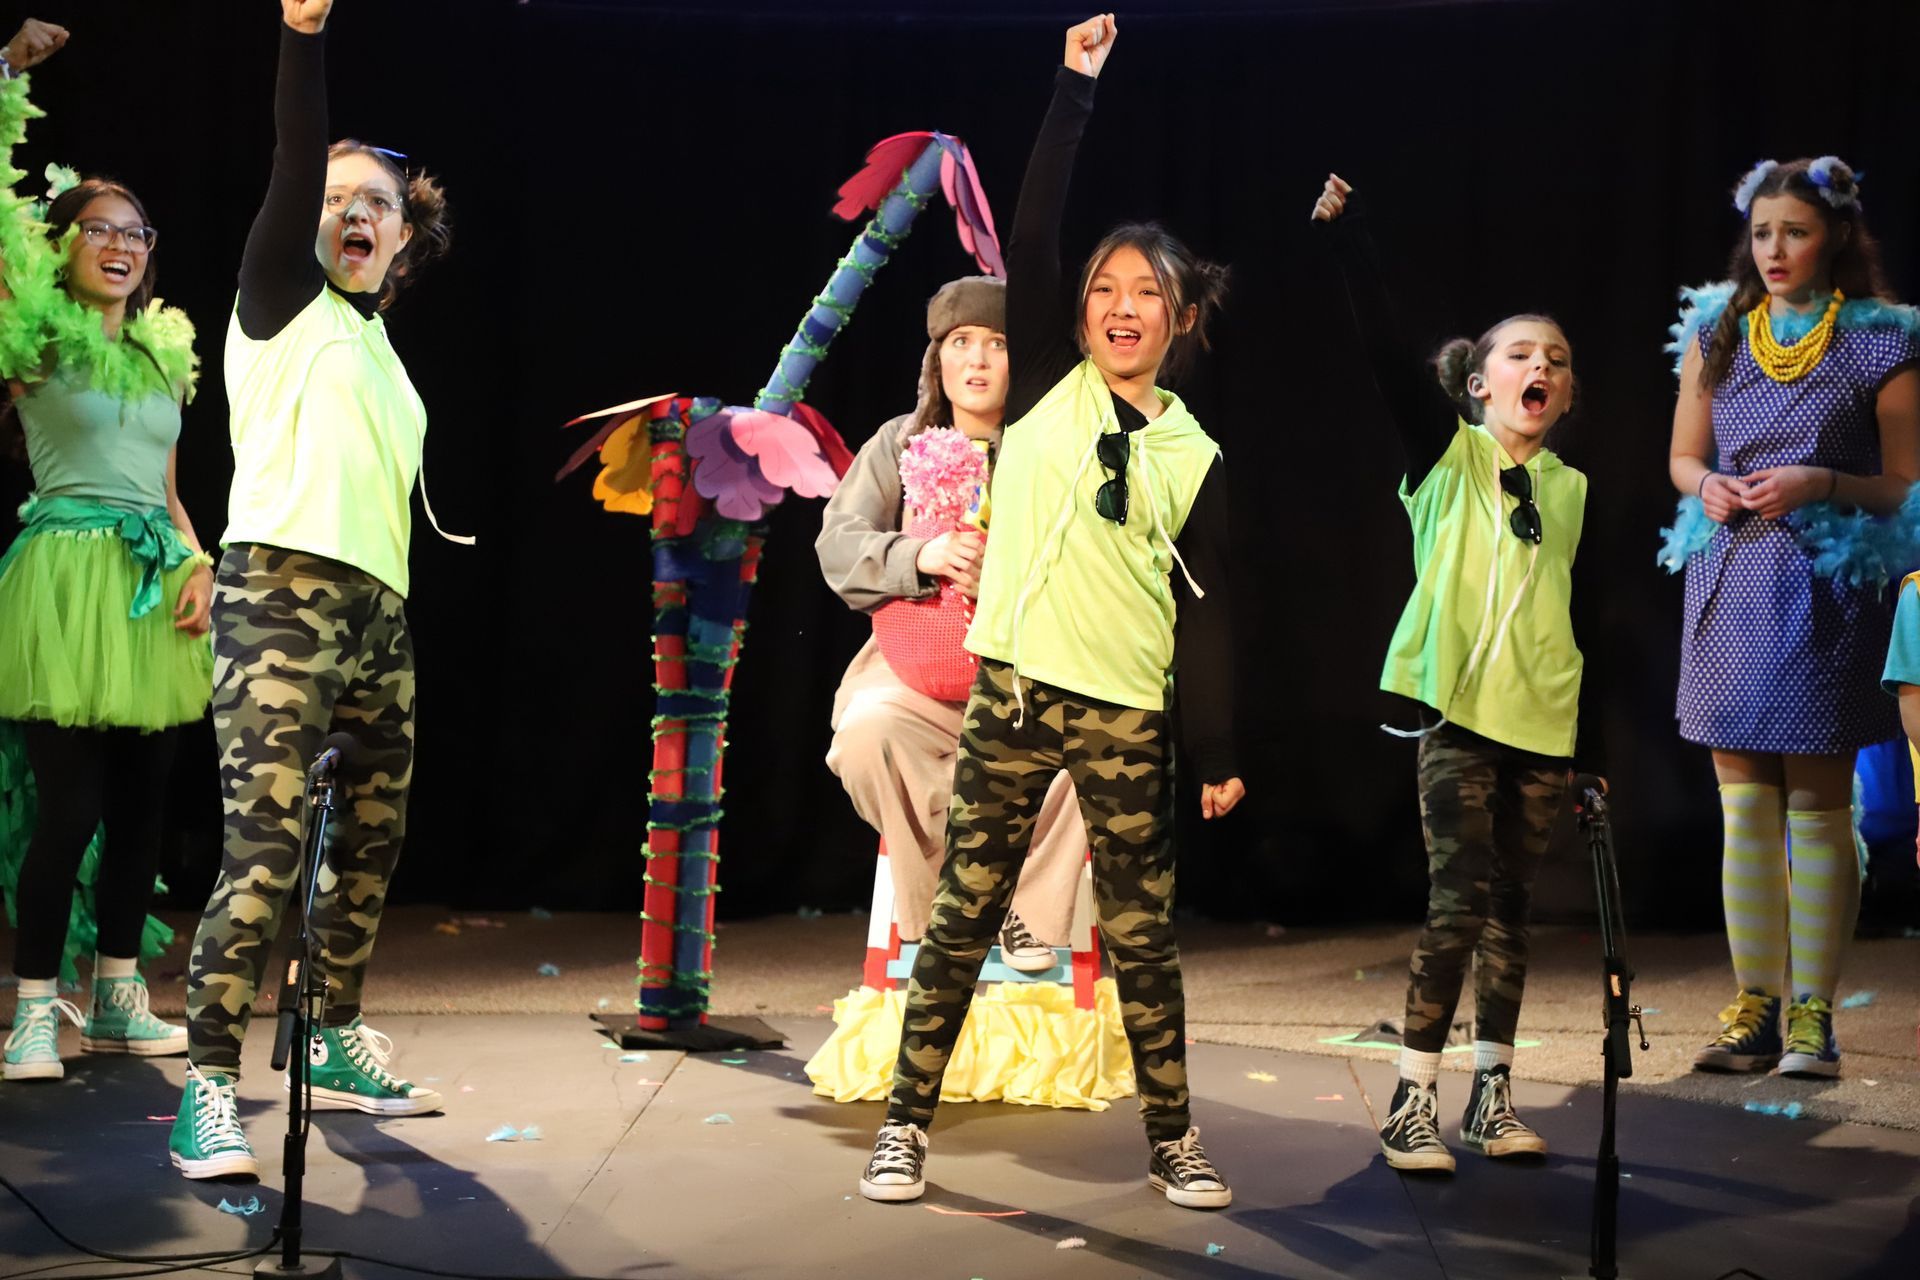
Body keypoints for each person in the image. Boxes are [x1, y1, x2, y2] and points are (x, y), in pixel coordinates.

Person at [859, 14, 1243, 1210]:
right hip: (1014, 692)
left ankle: (1175, 1136)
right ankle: (904, 1128)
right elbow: (1030, 226)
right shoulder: (1042, 395)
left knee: (1143, 934)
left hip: (1128, 712)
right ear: (1077, 315)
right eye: (1106, 290)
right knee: (964, 919)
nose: (1124, 304)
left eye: (1149, 293)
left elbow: (1213, 609)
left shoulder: (1195, 450)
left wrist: (1216, 744)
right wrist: (1075, 92)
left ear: (1180, 318)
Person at [171, 0, 456, 1179]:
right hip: (279, 594)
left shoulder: (380, 348)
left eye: (376, 205)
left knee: (370, 842)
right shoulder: (276, 303)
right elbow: (299, 153)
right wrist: (302, 38)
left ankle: (328, 1032)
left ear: (402, 241)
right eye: (337, 199)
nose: (351, 212)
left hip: (378, 612)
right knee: (267, 843)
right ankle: (204, 1082)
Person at [1315, 172, 1604, 1174]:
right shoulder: (1449, 460)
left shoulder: (1570, 490)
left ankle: (1492, 1096)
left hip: (1544, 728)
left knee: (1516, 913)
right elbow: (1389, 358)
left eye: (1556, 360)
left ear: (1565, 392)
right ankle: (1410, 1100)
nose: (1541, 365)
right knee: (1456, 906)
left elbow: (1583, 621)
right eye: (1521, 352)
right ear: (1480, 382)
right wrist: (1351, 240)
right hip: (1460, 719)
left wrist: (1592, 750)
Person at [1666, 156, 1920, 1082]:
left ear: (1837, 237)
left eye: (1797, 232)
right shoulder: (1718, 331)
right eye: (1764, 232)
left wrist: (1822, 482)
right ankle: (1755, 1009)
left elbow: (1904, 486)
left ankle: (1813, 1014)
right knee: (1743, 807)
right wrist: (1713, 484)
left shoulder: (1880, 339)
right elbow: (1683, 460)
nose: (1776, 250)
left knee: (1815, 806)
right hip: (1731, 579)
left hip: (1824, 584)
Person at [0, 18, 209, 1082]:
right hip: (69, 580)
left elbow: (166, 490)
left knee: (144, 806)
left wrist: (199, 557)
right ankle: (36, 1005)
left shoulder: (163, 356)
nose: (123, 244)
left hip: (153, 584)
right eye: (99, 229)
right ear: (62, 246)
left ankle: (120, 991)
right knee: (71, 805)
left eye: (137, 232)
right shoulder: (32, 337)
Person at [816, 275, 1085, 969]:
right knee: (868, 735)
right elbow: (837, 548)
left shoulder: (1050, 452)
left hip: (1025, 683)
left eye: (997, 344)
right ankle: (951, 903)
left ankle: (1022, 911)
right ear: (937, 359)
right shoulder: (899, 445)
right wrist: (921, 553)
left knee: (1100, 754)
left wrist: (1013, 575)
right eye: (960, 343)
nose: (977, 360)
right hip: (911, 682)